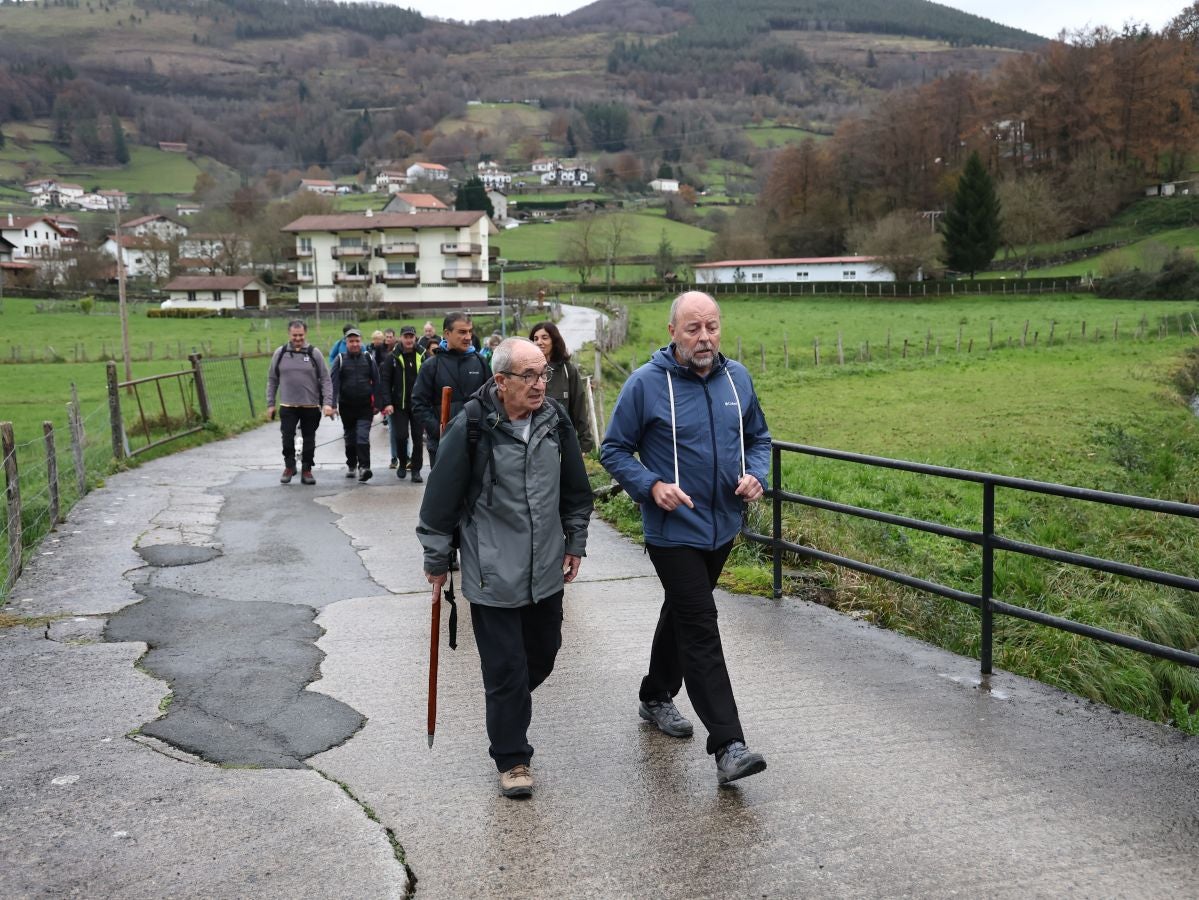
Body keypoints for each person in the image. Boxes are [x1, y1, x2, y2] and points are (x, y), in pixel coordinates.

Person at [600, 291, 772, 787]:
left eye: (712, 327)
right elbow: (613, 449)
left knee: (682, 611)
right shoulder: (646, 385)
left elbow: (758, 437)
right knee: (700, 624)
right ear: (672, 330)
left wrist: (755, 474)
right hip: (672, 531)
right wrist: (651, 485)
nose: (705, 337)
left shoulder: (737, 379)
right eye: (693, 328)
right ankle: (728, 745)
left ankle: (655, 695)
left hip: (723, 526)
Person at [416, 337, 592, 798]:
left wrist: (575, 540)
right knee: (506, 668)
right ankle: (512, 758)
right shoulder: (471, 425)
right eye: (529, 376)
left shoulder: (555, 423)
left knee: (544, 654)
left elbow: (576, 490)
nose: (540, 385)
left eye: (544, 374)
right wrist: (437, 559)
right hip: (490, 568)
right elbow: (439, 502)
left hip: (546, 567)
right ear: (501, 380)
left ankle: (506, 705)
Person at [411, 312, 492, 465]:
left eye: (470, 331)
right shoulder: (431, 365)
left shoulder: (480, 362)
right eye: (462, 332)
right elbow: (418, 404)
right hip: (443, 445)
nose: (468, 336)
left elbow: (491, 399)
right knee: (444, 489)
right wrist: (438, 431)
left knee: (476, 489)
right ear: (447, 334)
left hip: (477, 443)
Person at [265, 319, 333, 486]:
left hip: (310, 405)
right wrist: (270, 404)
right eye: (295, 335)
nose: (298, 338)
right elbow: (272, 380)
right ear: (289, 334)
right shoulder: (280, 353)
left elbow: (325, 379)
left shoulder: (313, 353)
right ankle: (289, 466)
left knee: (309, 438)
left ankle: (307, 469)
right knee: (287, 437)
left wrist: (328, 403)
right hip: (288, 405)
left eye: (300, 335)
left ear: (305, 334)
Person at [330, 328, 390, 483]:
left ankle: (364, 467)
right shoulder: (340, 359)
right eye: (351, 341)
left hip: (365, 407)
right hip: (346, 406)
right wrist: (332, 405)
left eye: (357, 341)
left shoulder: (368, 358)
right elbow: (334, 384)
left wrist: (378, 403)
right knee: (350, 438)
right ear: (346, 343)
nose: (355, 344)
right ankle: (351, 465)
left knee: (362, 437)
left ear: (361, 342)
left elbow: (377, 380)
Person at [529, 320, 594, 454]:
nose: (539, 342)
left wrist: (585, 444)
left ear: (554, 340)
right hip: (532, 442)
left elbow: (579, 407)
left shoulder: (568, 371)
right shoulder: (526, 371)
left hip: (561, 443)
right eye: (535, 339)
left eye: (544, 337)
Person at [389, 325, 425, 483]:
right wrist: (387, 403)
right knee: (401, 436)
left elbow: (430, 378)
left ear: (415, 338)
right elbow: (385, 381)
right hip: (400, 405)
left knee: (418, 438)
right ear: (401, 338)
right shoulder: (393, 357)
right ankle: (403, 463)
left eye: (411, 336)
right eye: (406, 336)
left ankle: (416, 470)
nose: (409, 340)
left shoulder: (424, 355)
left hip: (419, 405)